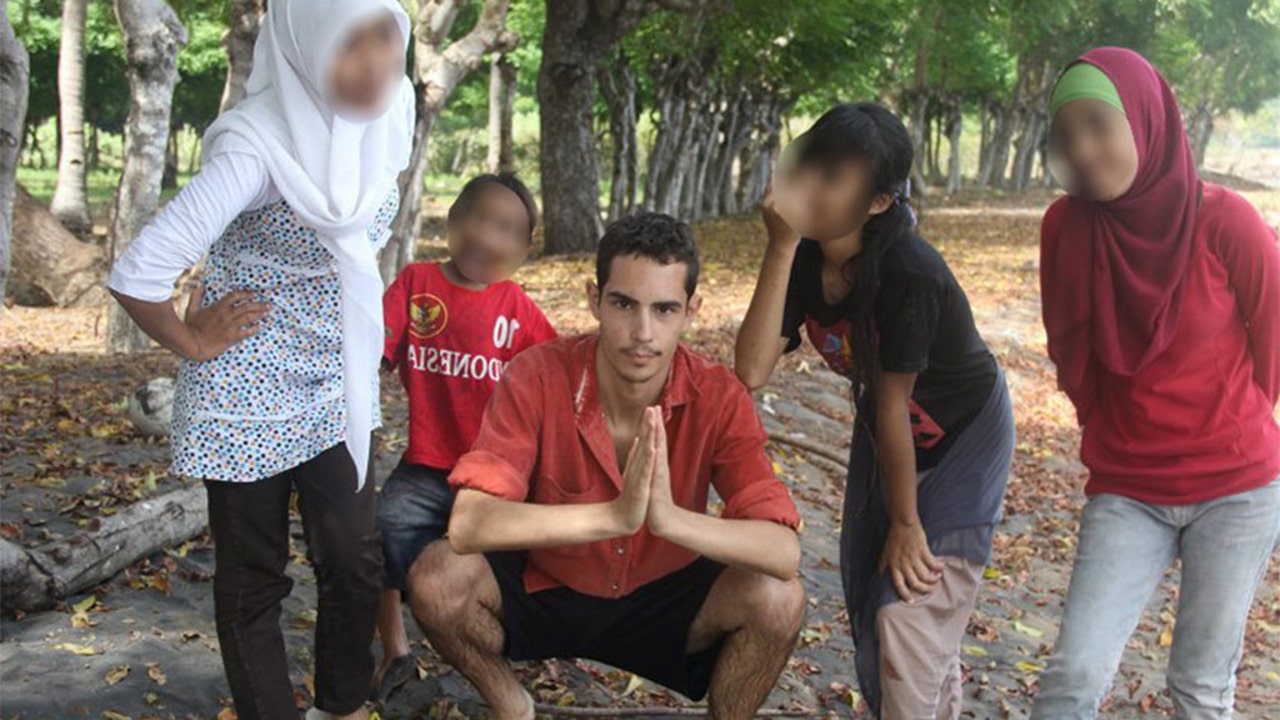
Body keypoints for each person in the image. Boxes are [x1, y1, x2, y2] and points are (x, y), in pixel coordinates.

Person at [106, 1, 415, 718]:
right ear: (307, 45)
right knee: (254, 579)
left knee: (353, 556)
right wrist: (192, 341)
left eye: (384, 35)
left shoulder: (392, 105)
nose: (374, 62)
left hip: (333, 376)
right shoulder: (257, 148)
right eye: (349, 42)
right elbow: (138, 273)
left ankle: (342, 705)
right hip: (244, 385)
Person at [405, 212, 807, 720]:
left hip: (664, 602)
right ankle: (511, 705)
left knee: (778, 598)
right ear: (594, 299)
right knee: (437, 576)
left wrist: (669, 520)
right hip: (546, 586)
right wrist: (613, 516)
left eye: (664, 309)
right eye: (623, 304)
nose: (643, 332)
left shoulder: (720, 395)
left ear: (691, 311)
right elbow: (468, 524)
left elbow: (783, 552)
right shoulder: (536, 373)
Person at [734, 102, 1014, 719]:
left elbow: (893, 400)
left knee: (906, 609)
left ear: (879, 201)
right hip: (890, 428)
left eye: (833, 176)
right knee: (877, 595)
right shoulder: (804, 254)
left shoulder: (909, 271)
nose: (809, 182)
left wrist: (906, 523)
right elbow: (751, 370)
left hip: (964, 433)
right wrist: (781, 247)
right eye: (808, 162)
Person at [1032, 47, 1280, 720]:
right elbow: (1071, 349)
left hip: (1236, 491)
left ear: (1146, 120)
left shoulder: (1225, 221)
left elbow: (1271, 343)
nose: (1083, 150)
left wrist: (1225, 428)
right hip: (1128, 487)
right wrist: (1117, 430)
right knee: (1073, 676)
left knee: (1199, 686)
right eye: (1066, 134)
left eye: (1099, 124)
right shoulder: (1066, 227)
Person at [372, 173, 556, 700]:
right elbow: (374, 353)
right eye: (477, 218)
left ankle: (512, 648)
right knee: (379, 536)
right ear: (452, 220)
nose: (487, 236)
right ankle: (395, 650)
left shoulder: (519, 312)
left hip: (497, 474)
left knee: (515, 560)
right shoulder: (417, 284)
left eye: (506, 230)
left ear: (523, 250)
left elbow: (558, 379)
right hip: (428, 464)